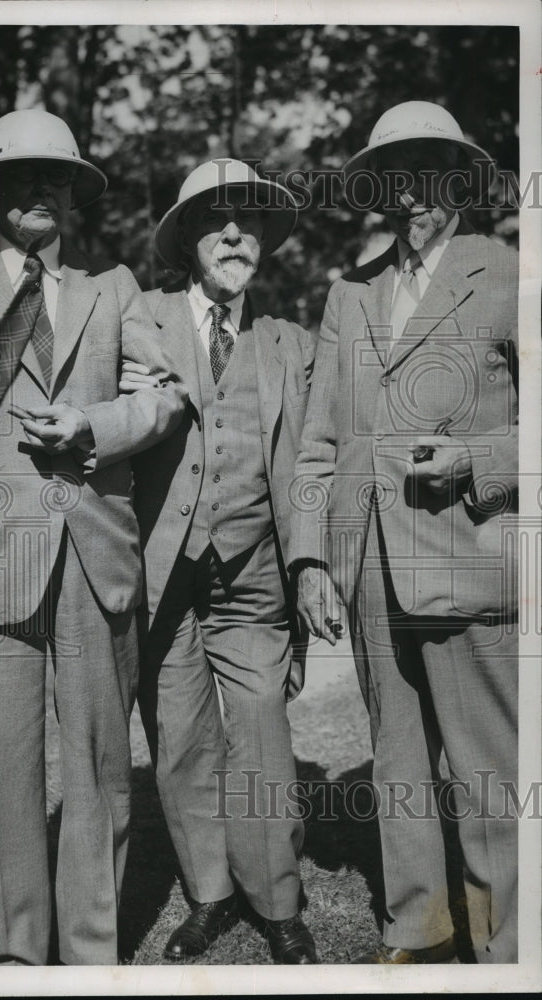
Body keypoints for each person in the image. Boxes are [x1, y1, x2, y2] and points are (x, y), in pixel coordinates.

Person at [0, 108, 187, 966]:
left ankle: (89, 960)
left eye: (55, 175)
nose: (39, 188)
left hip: (94, 550)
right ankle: (13, 960)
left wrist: (95, 423)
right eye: (20, 175)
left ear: (74, 194)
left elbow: (164, 395)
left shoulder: (111, 288)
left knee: (97, 766)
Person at [290, 101, 518, 964]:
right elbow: (317, 441)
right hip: (369, 568)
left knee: (489, 770)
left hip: (470, 559)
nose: (409, 188)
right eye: (393, 173)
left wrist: (476, 458)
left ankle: (508, 948)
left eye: (427, 169)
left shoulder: (508, 273)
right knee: (396, 764)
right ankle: (417, 931)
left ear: (458, 178)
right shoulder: (349, 291)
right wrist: (312, 559)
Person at [120, 159, 317, 964]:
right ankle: (210, 895)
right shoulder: (142, 316)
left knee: (262, 727)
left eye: (248, 220)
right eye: (215, 219)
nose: (234, 233)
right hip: (161, 571)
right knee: (181, 737)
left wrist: (311, 564)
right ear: (186, 239)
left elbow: (313, 462)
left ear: (263, 239)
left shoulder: (290, 343)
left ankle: (276, 901)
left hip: (255, 573)